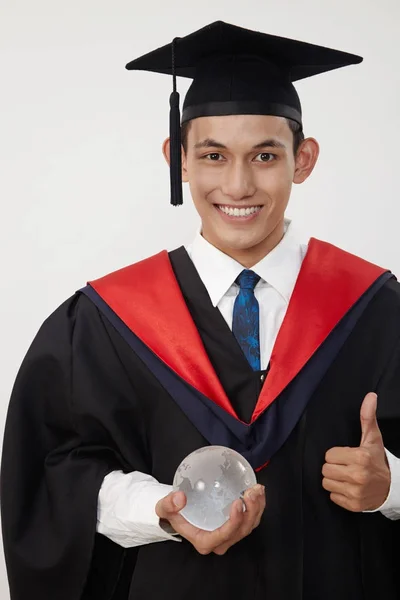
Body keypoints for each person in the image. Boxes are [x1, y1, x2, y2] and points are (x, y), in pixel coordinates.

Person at [1, 20, 400, 600]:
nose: (237, 185)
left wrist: (390, 489)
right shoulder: (104, 320)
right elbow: (54, 473)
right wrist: (160, 509)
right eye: (213, 155)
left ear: (304, 160)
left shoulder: (376, 310)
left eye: (265, 155)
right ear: (178, 157)